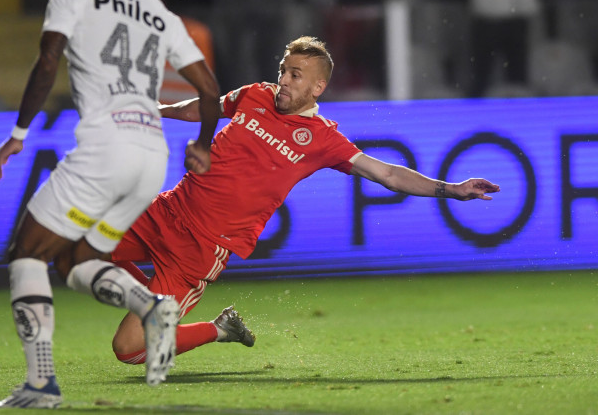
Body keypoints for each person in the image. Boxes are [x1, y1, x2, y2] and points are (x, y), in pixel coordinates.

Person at [105, 35, 500, 366]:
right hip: (165, 211)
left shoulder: (324, 139)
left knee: (129, 349)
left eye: (295, 76)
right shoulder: (255, 95)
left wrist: (452, 188)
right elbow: (200, 108)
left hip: (198, 249)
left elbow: (389, 174)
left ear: (317, 87)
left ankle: (218, 329)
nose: (283, 81)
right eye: (283, 71)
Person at [0, 0, 220, 409]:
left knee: (28, 253)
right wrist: (201, 143)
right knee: (77, 261)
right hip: (150, 155)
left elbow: (48, 61)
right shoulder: (160, 13)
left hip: (104, 147)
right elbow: (209, 91)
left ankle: (40, 384)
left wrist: (19, 133)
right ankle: (152, 306)